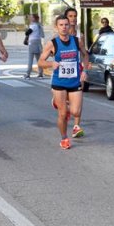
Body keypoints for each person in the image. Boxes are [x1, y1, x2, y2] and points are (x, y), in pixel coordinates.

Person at [38, 15, 89, 149]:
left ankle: (58, 102)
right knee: (62, 113)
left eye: (66, 24)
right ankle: (64, 138)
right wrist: (50, 63)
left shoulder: (77, 41)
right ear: (56, 27)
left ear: (69, 26)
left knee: (76, 112)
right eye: (61, 25)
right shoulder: (52, 43)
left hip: (74, 81)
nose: (64, 27)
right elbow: (40, 62)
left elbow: (85, 55)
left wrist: (84, 70)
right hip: (59, 83)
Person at [24, 13, 44, 79]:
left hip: (32, 43)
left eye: (31, 17)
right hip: (38, 42)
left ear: (34, 18)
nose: (30, 18)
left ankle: (28, 74)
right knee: (39, 59)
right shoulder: (39, 25)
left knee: (30, 59)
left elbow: (27, 33)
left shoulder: (33, 26)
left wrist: (27, 28)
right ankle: (40, 73)